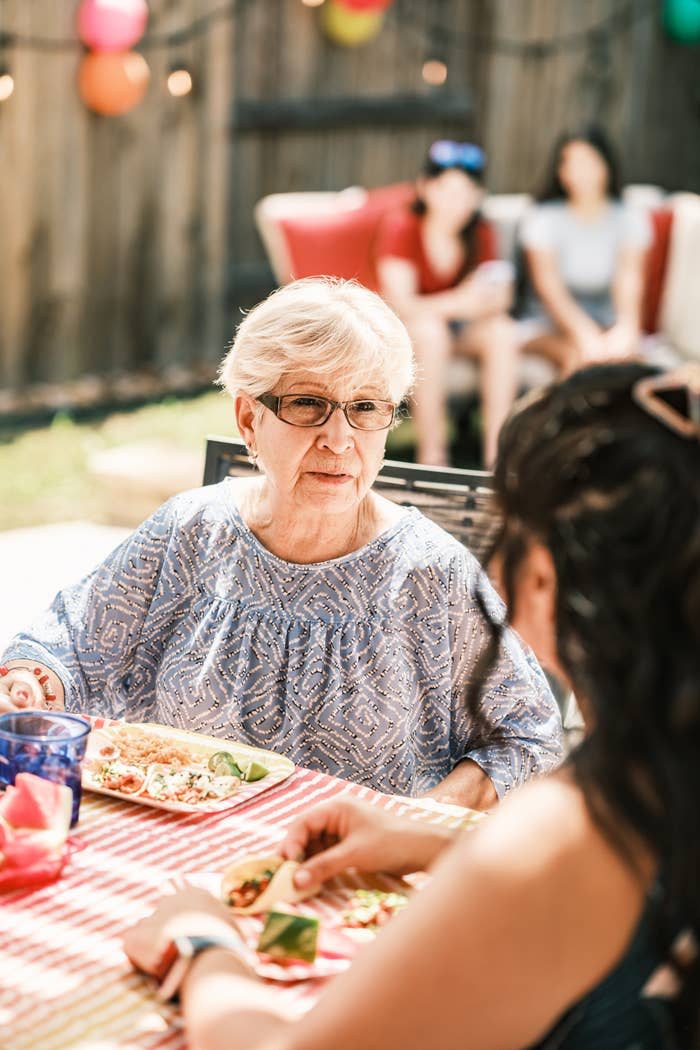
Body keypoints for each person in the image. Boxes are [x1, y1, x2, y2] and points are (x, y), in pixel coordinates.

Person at [124, 361, 700, 1049]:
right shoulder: (663, 779)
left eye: (507, 530)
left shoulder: (572, 833)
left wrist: (202, 945)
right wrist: (440, 840)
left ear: (544, 577)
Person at [0, 278, 561, 809]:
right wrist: (26, 681)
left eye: (366, 407)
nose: (339, 439)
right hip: (181, 850)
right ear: (249, 418)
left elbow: (527, 740)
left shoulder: (431, 573)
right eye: (307, 403)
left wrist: (412, 822)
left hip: (354, 879)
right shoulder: (191, 531)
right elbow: (68, 643)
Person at [375, 139, 520, 468]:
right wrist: (461, 302)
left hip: (460, 330)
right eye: (447, 190)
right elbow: (400, 305)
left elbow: (499, 298)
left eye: (467, 190)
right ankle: (433, 454)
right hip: (411, 333)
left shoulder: (480, 232)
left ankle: (497, 457)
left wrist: (476, 303)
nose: (458, 201)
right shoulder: (403, 227)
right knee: (429, 331)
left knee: (503, 332)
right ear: (426, 188)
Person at [519, 125, 653, 374]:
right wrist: (584, 334)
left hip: (606, 323)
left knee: (629, 361)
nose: (582, 173)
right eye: (573, 163)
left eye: (589, 162)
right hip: (546, 325)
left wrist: (626, 328)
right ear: (561, 171)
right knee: (580, 359)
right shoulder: (543, 218)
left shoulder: (629, 217)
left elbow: (629, 278)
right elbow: (549, 287)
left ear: (607, 165)